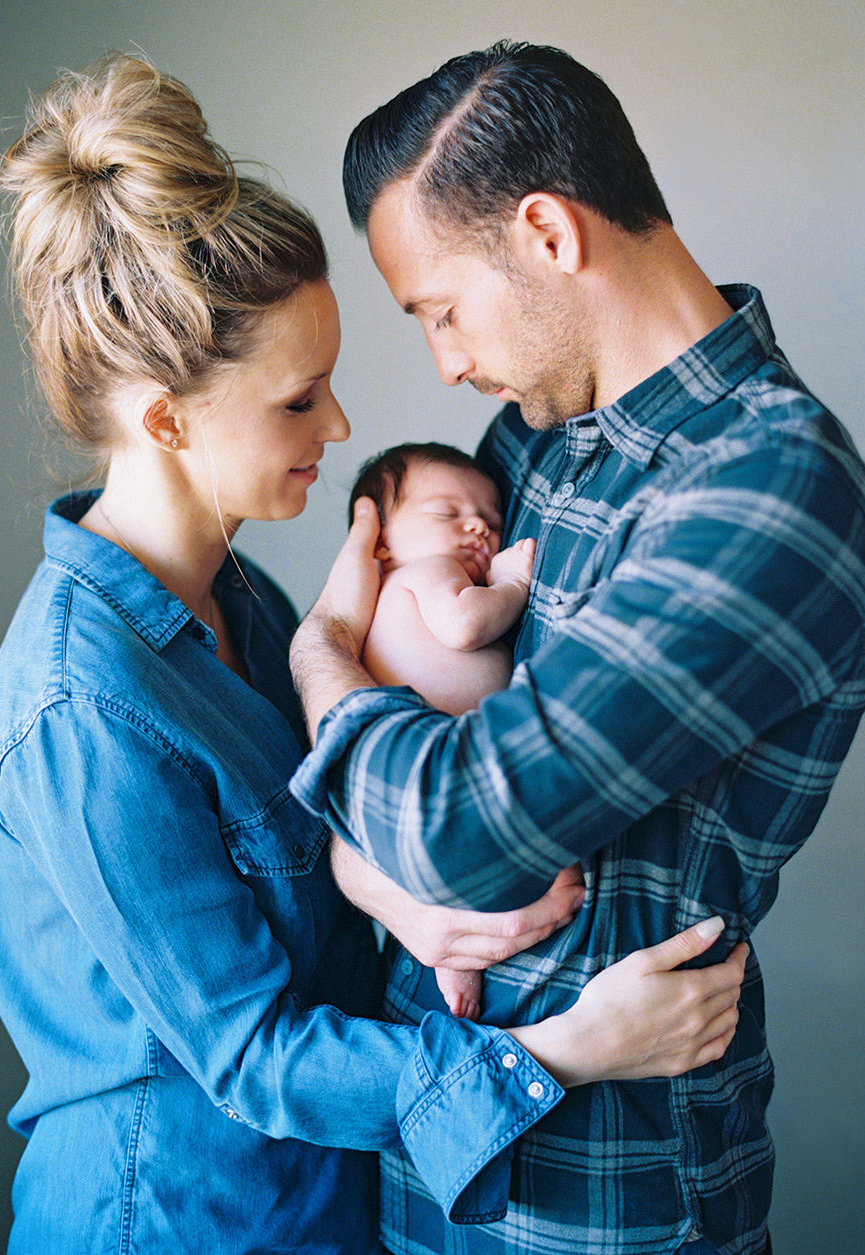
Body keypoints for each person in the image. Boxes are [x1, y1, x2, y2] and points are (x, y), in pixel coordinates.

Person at [0, 54, 749, 1255]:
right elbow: (247, 1051)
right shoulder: (78, 707)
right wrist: (567, 1050)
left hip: (332, 1200)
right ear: (166, 419)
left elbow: (311, 832)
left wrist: (394, 894)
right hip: (177, 1221)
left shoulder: (250, 605)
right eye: (299, 401)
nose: (340, 428)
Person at [288, 40, 865, 1255]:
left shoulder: (771, 488)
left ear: (548, 233)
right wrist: (370, 879)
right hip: (443, 1129)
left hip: (609, 1193)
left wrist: (316, 658)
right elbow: (401, 776)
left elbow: (456, 822)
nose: (442, 361)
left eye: (440, 310)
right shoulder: (537, 444)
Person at [349, 440, 539, 1018]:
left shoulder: (427, 575)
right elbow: (462, 625)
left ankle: (454, 965)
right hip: (429, 766)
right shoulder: (428, 574)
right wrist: (511, 587)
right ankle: (456, 962)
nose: (478, 526)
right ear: (381, 540)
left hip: (422, 775)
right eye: (447, 513)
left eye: (491, 518)